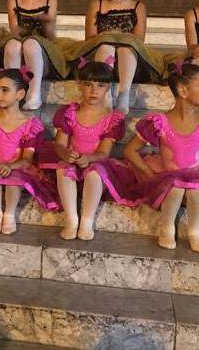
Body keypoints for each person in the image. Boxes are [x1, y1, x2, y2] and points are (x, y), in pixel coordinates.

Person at [123, 63, 199, 252]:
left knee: (197, 189)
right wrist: (147, 171)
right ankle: (167, 227)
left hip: (197, 177)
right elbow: (129, 150)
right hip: (168, 177)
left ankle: (194, 231)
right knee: (176, 187)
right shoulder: (159, 122)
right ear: (183, 90)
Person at [37, 58, 137, 240]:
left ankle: (86, 221)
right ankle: (71, 219)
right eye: (88, 84)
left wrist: (88, 159)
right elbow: (59, 144)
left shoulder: (111, 119)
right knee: (62, 170)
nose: (94, 90)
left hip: (96, 162)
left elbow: (104, 153)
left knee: (94, 173)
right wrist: (66, 153)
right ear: (79, 85)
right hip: (73, 160)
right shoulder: (69, 113)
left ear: (108, 88)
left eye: (100, 85)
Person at [0, 68, 59, 235]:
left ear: (19, 94)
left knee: (14, 178)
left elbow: (26, 160)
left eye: (5, 90)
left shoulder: (30, 125)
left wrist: (10, 166)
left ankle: (9, 214)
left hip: (17, 167)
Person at [68, 0, 165, 114]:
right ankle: (104, 93)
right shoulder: (97, 5)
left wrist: (117, 36)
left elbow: (138, 40)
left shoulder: (137, 7)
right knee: (106, 45)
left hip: (128, 63)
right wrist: (108, 38)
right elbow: (90, 38)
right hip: (102, 58)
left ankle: (123, 95)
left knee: (126, 47)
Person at [0, 0, 70, 111]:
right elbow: (15, 30)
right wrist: (33, 23)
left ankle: (34, 93)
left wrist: (42, 22)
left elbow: (50, 35)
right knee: (12, 44)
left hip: (42, 52)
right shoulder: (14, 1)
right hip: (21, 47)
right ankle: (11, 89)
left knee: (31, 44)